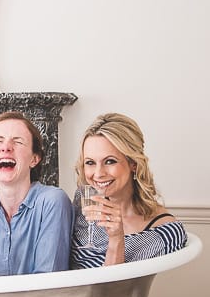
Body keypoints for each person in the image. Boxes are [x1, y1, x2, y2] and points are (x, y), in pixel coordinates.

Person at [0, 111, 72, 278]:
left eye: (17, 141)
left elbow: (47, 283)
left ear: (34, 158)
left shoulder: (53, 202)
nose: (6, 147)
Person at [70, 112, 187, 268]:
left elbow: (113, 290)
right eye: (90, 162)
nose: (98, 174)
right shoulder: (84, 200)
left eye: (110, 161)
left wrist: (116, 239)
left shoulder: (163, 232)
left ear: (134, 164)